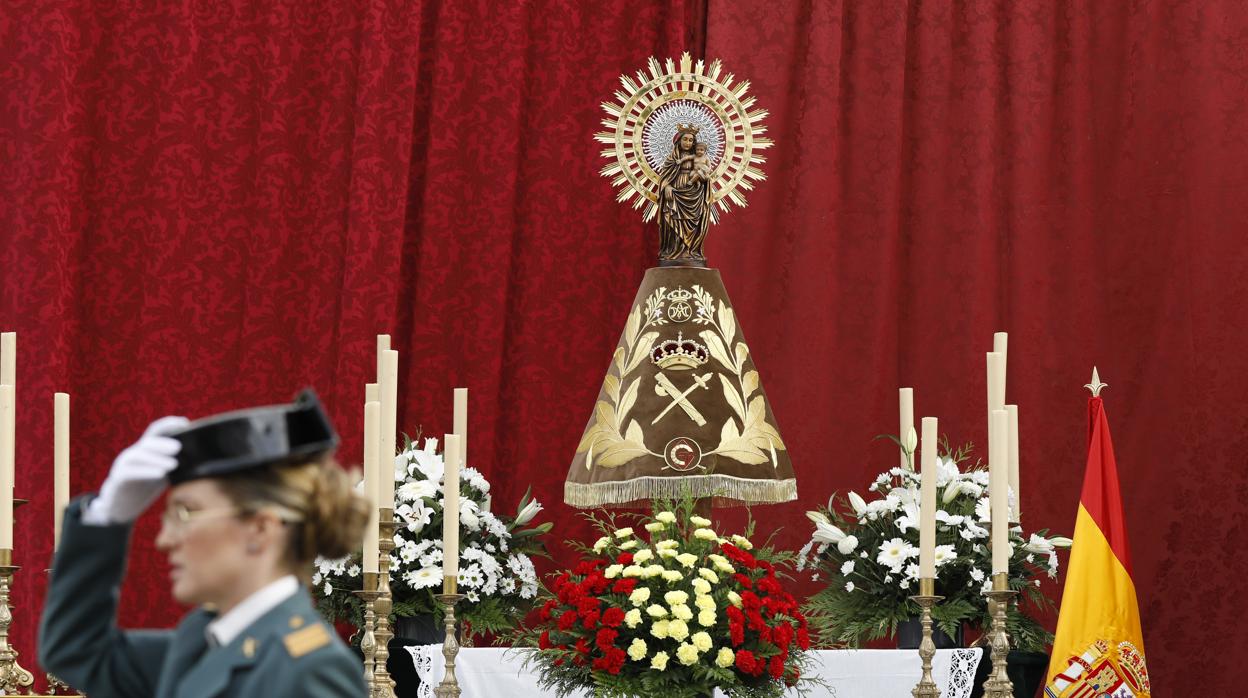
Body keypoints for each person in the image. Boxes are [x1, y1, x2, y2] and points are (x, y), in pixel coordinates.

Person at [40, 389, 370, 697]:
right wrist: (106, 516)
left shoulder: (309, 669)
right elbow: (77, 652)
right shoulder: (202, 641)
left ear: (260, 528)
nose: (163, 541)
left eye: (185, 512)